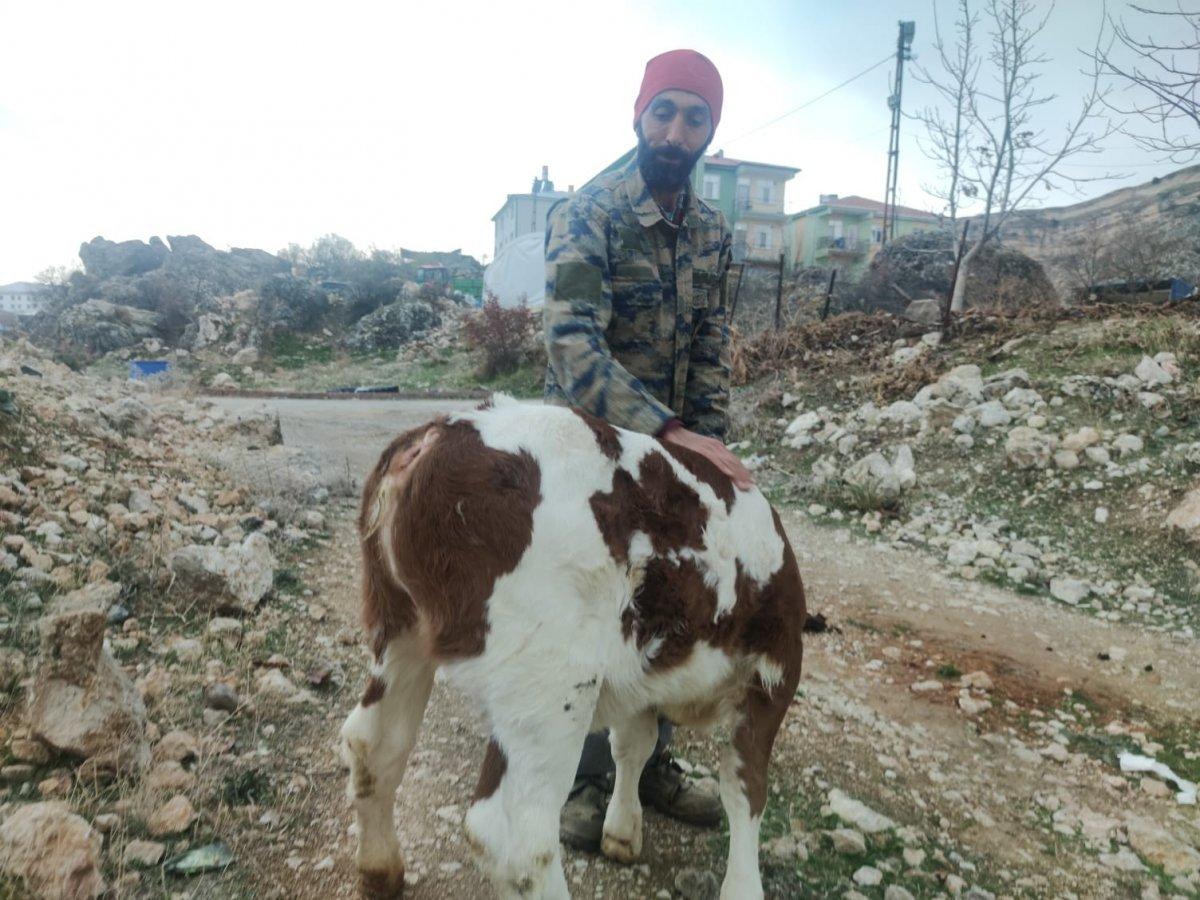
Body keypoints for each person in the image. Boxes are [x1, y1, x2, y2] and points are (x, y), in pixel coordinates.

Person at [542, 48, 752, 851]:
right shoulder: (588, 212)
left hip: (670, 453)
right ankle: (582, 774)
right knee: (588, 608)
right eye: (663, 111)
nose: (676, 129)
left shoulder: (711, 230)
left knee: (666, 599)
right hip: (586, 449)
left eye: (694, 115)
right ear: (638, 115)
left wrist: (708, 457)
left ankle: (648, 763)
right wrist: (667, 429)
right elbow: (570, 347)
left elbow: (709, 345)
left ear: (711, 128)